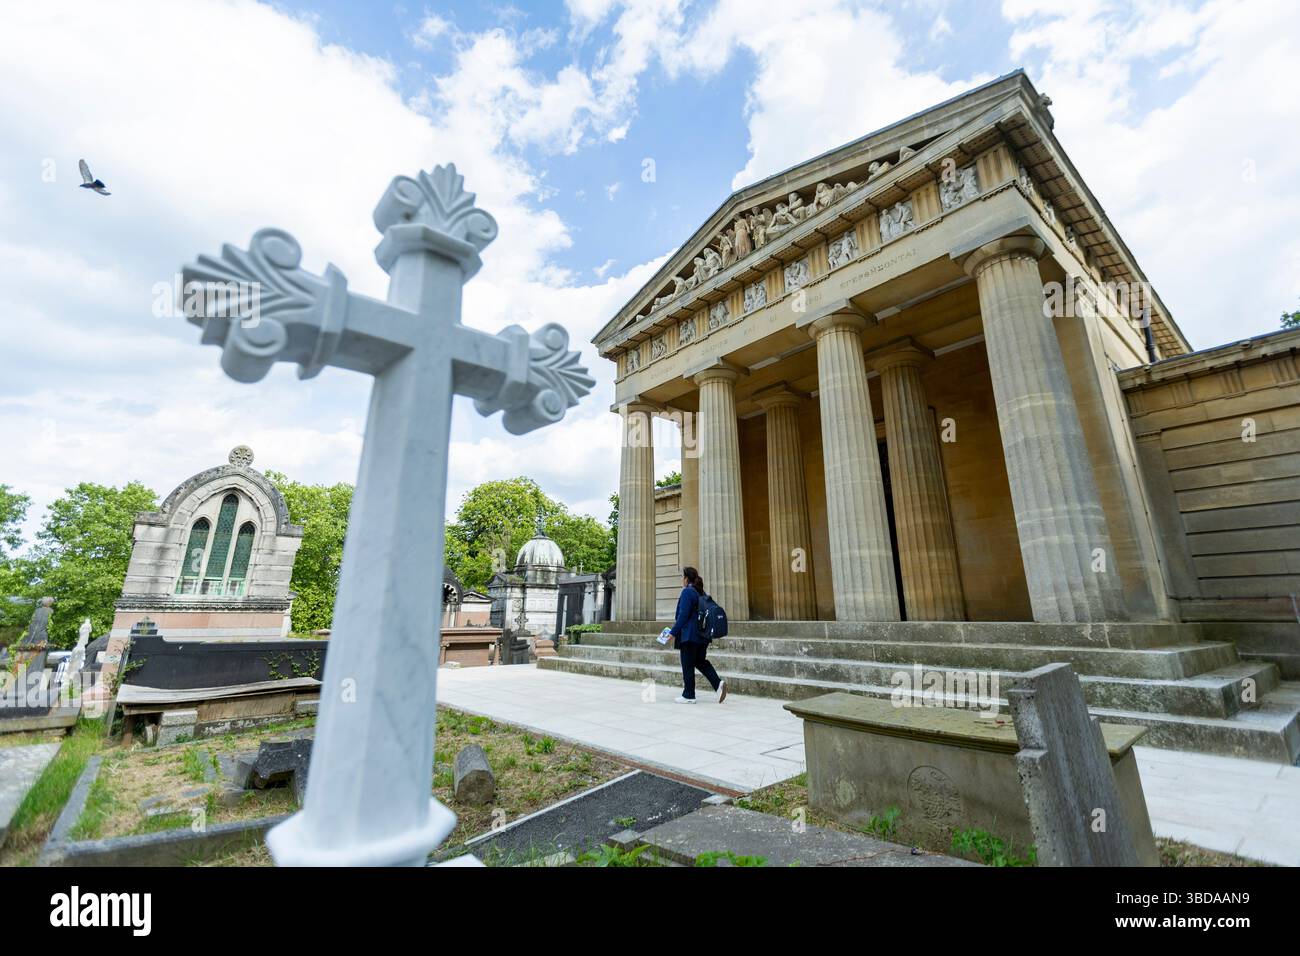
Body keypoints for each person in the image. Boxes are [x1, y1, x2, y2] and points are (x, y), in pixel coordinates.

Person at [668, 567, 726, 704]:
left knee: (687, 663)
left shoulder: (687, 592)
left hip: (689, 636)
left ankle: (688, 694)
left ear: (686, 578)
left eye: (683, 577)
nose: (682, 580)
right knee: (700, 661)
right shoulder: (701, 592)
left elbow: (683, 616)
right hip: (703, 635)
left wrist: (672, 632)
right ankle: (718, 684)